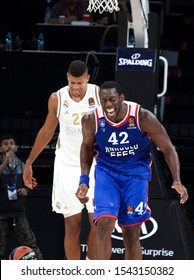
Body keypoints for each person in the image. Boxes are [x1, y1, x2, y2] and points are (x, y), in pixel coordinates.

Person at [76, 80, 189, 260]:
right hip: (107, 173)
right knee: (104, 224)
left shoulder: (142, 117)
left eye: (112, 99)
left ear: (122, 98)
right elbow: (86, 147)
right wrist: (84, 180)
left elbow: (168, 148)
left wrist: (176, 180)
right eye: (103, 100)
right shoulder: (91, 120)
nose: (108, 105)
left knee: (131, 234)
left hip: (135, 175)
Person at [23, 60, 100, 260]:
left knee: (97, 223)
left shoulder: (99, 95)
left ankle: (92, 268)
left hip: (94, 167)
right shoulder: (57, 98)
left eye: (79, 83)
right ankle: (73, 272)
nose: (75, 88)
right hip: (66, 166)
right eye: (72, 83)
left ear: (88, 80)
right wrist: (30, 162)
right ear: (67, 77)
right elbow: (47, 131)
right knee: (72, 225)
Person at [0, 135, 43, 260]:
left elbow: (31, 184)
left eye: (12, 143)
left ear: (16, 148)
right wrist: (5, 162)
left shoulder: (24, 166)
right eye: (6, 144)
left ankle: (42, 270)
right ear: (0, 148)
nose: (9, 146)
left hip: (18, 211)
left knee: (31, 243)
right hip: (1, 212)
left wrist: (26, 190)